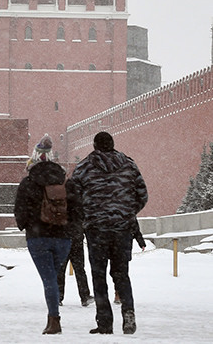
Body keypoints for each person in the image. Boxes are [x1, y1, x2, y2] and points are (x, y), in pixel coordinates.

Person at [70, 131, 148, 335]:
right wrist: (125, 213)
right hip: (122, 230)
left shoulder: (84, 167)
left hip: (96, 231)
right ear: (112, 144)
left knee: (99, 275)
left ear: (94, 145)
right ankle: (129, 314)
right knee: (122, 274)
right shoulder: (129, 165)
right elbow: (142, 195)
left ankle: (104, 322)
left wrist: (88, 216)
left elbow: (73, 198)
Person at [14, 142, 74, 336]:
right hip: (63, 238)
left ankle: (54, 320)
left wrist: (28, 226)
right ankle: (52, 318)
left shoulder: (28, 182)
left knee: (48, 279)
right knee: (53, 278)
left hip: (38, 237)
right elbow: (77, 208)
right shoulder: (65, 181)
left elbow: (20, 209)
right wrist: (69, 229)